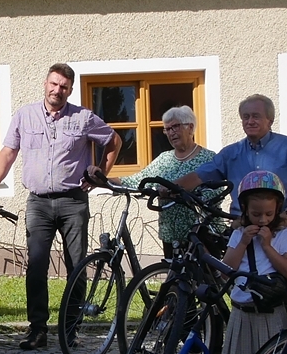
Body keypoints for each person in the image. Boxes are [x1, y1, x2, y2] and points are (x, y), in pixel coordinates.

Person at [0, 63, 122, 350]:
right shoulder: (25, 115)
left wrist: (99, 175)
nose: (57, 91)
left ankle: (70, 329)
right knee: (37, 266)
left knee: (77, 265)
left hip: (73, 202)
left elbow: (114, 140)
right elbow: (8, 151)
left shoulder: (83, 118)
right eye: (54, 84)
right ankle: (38, 330)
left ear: (70, 90)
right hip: (38, 204)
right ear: (45, 83)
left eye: (64, 87)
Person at [93, 105, 218, 259]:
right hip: (170, 236)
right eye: (167, 129)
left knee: (204, 280)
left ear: (190, 128)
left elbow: (215, 192)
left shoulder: (209, 159)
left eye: (175, 127)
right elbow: (137, 180)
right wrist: (104, 180)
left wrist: (182, 191)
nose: (171, 133)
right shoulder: (164, 159)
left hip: (200, 236)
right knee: (174, 280)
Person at [177, 94, 287, 217]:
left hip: (280, 228)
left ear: (270, 120)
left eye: (256, 116)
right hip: (241, 228)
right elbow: (200, 176)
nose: (250, 121)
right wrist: (167, 188)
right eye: (246, 117)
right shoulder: (230, 153)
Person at [220, 171, 287, 354]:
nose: (263, 219)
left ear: (278, 209)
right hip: (243, 309)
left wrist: (267, 246)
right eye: (256, 214)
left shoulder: (284, 234)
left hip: (270, 310)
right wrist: (244, 242)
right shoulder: (239, 234)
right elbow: (226, 270)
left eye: (269, 214)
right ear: (245, 209)